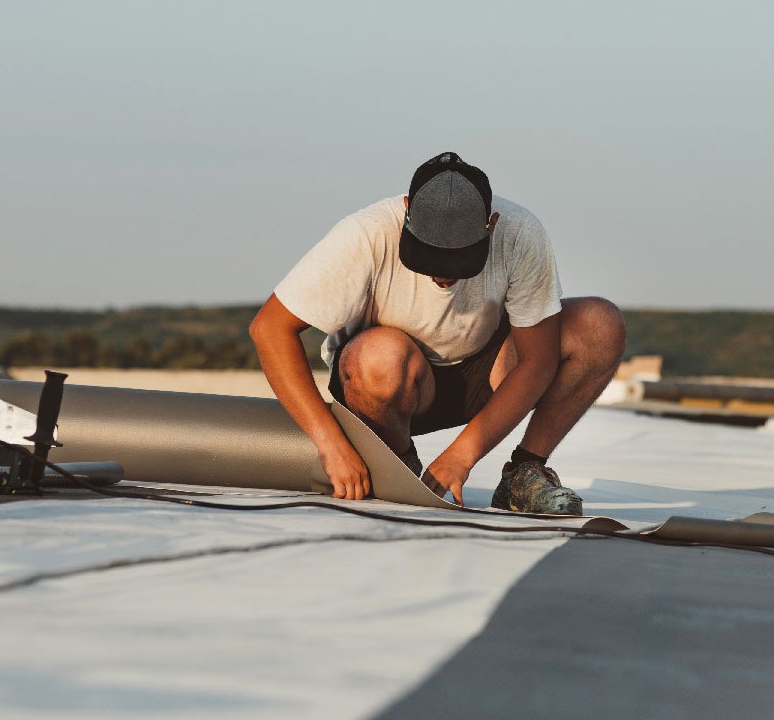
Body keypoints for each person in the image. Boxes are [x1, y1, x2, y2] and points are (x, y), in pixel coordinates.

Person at [249, 153, 625, 515]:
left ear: (490, 225)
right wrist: (330, 444)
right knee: (380, 358)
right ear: (408, 211)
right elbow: (270, 328)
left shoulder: (519, 233)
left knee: (599, 325)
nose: (444, 276)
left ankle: (523, 474)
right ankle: (398, 463)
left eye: (458, 262)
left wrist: (463, 454)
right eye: (429, 258)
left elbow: (537, 361)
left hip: (486, 375)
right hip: (386, 382)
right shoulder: (366, 233)